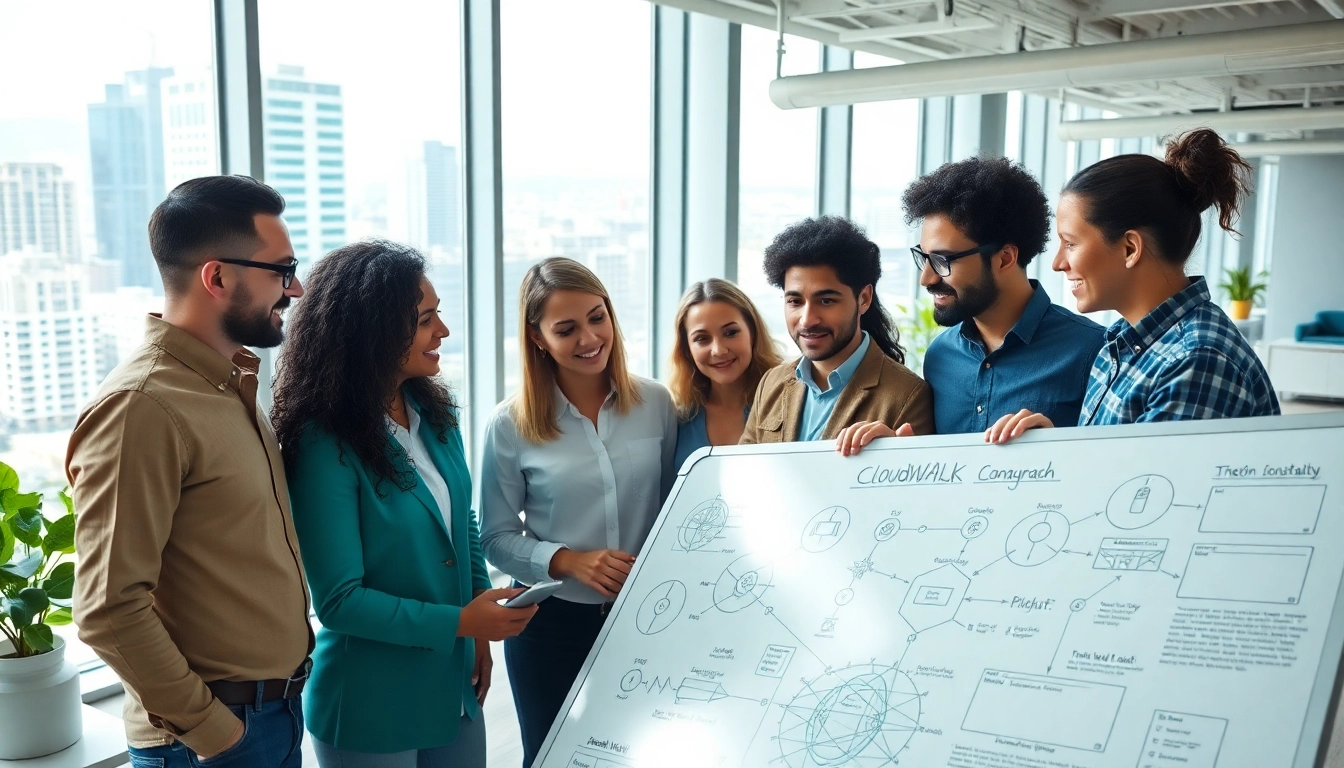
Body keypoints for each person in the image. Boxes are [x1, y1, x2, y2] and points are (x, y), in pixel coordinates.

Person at [68, 175, 311, 767]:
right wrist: (213, 732)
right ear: (217, 276)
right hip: (211, 742)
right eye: (282, 269)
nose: (296, 288)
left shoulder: (229, 385)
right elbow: (106, 607)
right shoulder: (143, 406)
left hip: (270, 718)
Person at [270, 241, 535, 767]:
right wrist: (461, 622)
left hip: (453, 686)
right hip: (371, 703)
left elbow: (464, 525)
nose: (444, 332)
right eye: (426, 319)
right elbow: (340, 601)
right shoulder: (324, 443)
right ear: (374, 332)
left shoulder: (432, 412)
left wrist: (478, 627)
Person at [480, 257, 678, 767]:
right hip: (550, 627)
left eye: (597, 317)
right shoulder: (510, 424)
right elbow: (496, 537)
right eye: (566, 329)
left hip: (649, 620)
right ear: (538, 338)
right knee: (551, 759)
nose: (589, 337)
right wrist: (567, 561)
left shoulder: (656, 403)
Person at [987, 128, 1280, 443]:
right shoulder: (1122, 342)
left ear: (1130, 249)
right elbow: (1118, 467)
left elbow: (1152, 488)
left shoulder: (1195, 360)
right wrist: (1056, 446)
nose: (1058, 263)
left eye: (1070, 244)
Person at [833, 157, 1106, 455]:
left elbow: (1113, 469)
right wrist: (897, 453)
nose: (926, 278)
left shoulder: (1094, 351)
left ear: (1004, 258)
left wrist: (1055, 446)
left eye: (942, 260)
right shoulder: (940, 356)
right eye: (924, 258)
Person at [740, 216, 933, 446]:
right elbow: (745, 473)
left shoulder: (907, 396)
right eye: (795, 301)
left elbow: (915, 479)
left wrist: (890, 457)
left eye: (826, 301)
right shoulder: (772, 383)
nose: (807, 319)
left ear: (864, 299)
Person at [668, 278, 782, 469]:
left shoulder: (787, 403)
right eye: (702, 338)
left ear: (752, 333)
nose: (718, 350)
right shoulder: (675, 419)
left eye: (730, 333)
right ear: (687, 349)